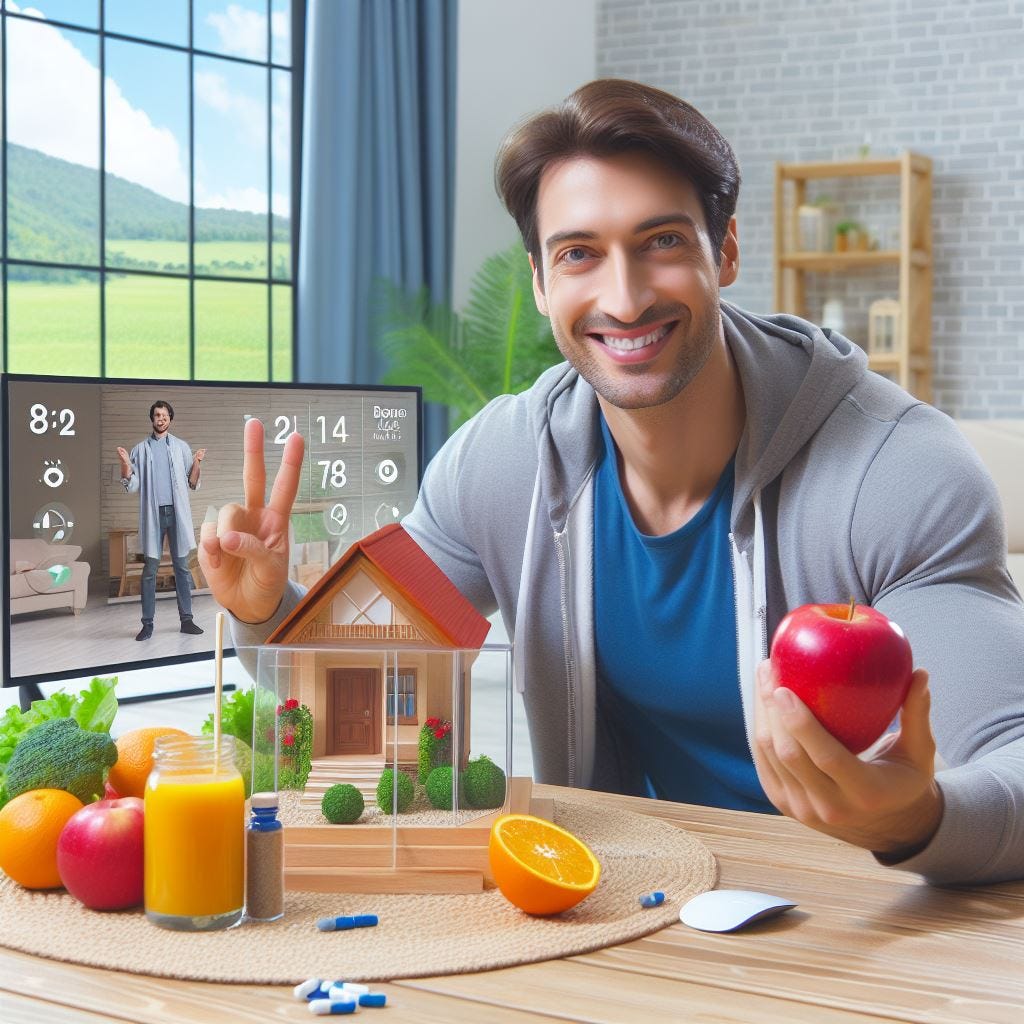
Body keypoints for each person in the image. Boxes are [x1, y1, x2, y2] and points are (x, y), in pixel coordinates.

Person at [200, 80, 1024, 886]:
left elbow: (1014, 756)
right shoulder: (501, 461)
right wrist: (268, 606)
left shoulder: (896, 470)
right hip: (617, 895)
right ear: (540, 281)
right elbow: (364, 675)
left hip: (850, 915)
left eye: (662, 241)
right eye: (579, 254)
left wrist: (911, 821)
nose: (624, 299)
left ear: (725, 250)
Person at [118, 400, 206, 641]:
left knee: (182, 567)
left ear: (170, 418)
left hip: (176, 514)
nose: (161, 419)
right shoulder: (139, 450)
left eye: (164, 415)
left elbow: (193, 482)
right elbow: (131, 485)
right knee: (150, 570)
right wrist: (126, 464)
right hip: (153, 515)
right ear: (152, 419)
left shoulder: (181, 447)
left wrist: (197, 461)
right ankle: (147, 624)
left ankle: (186, 620)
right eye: (157, 415)